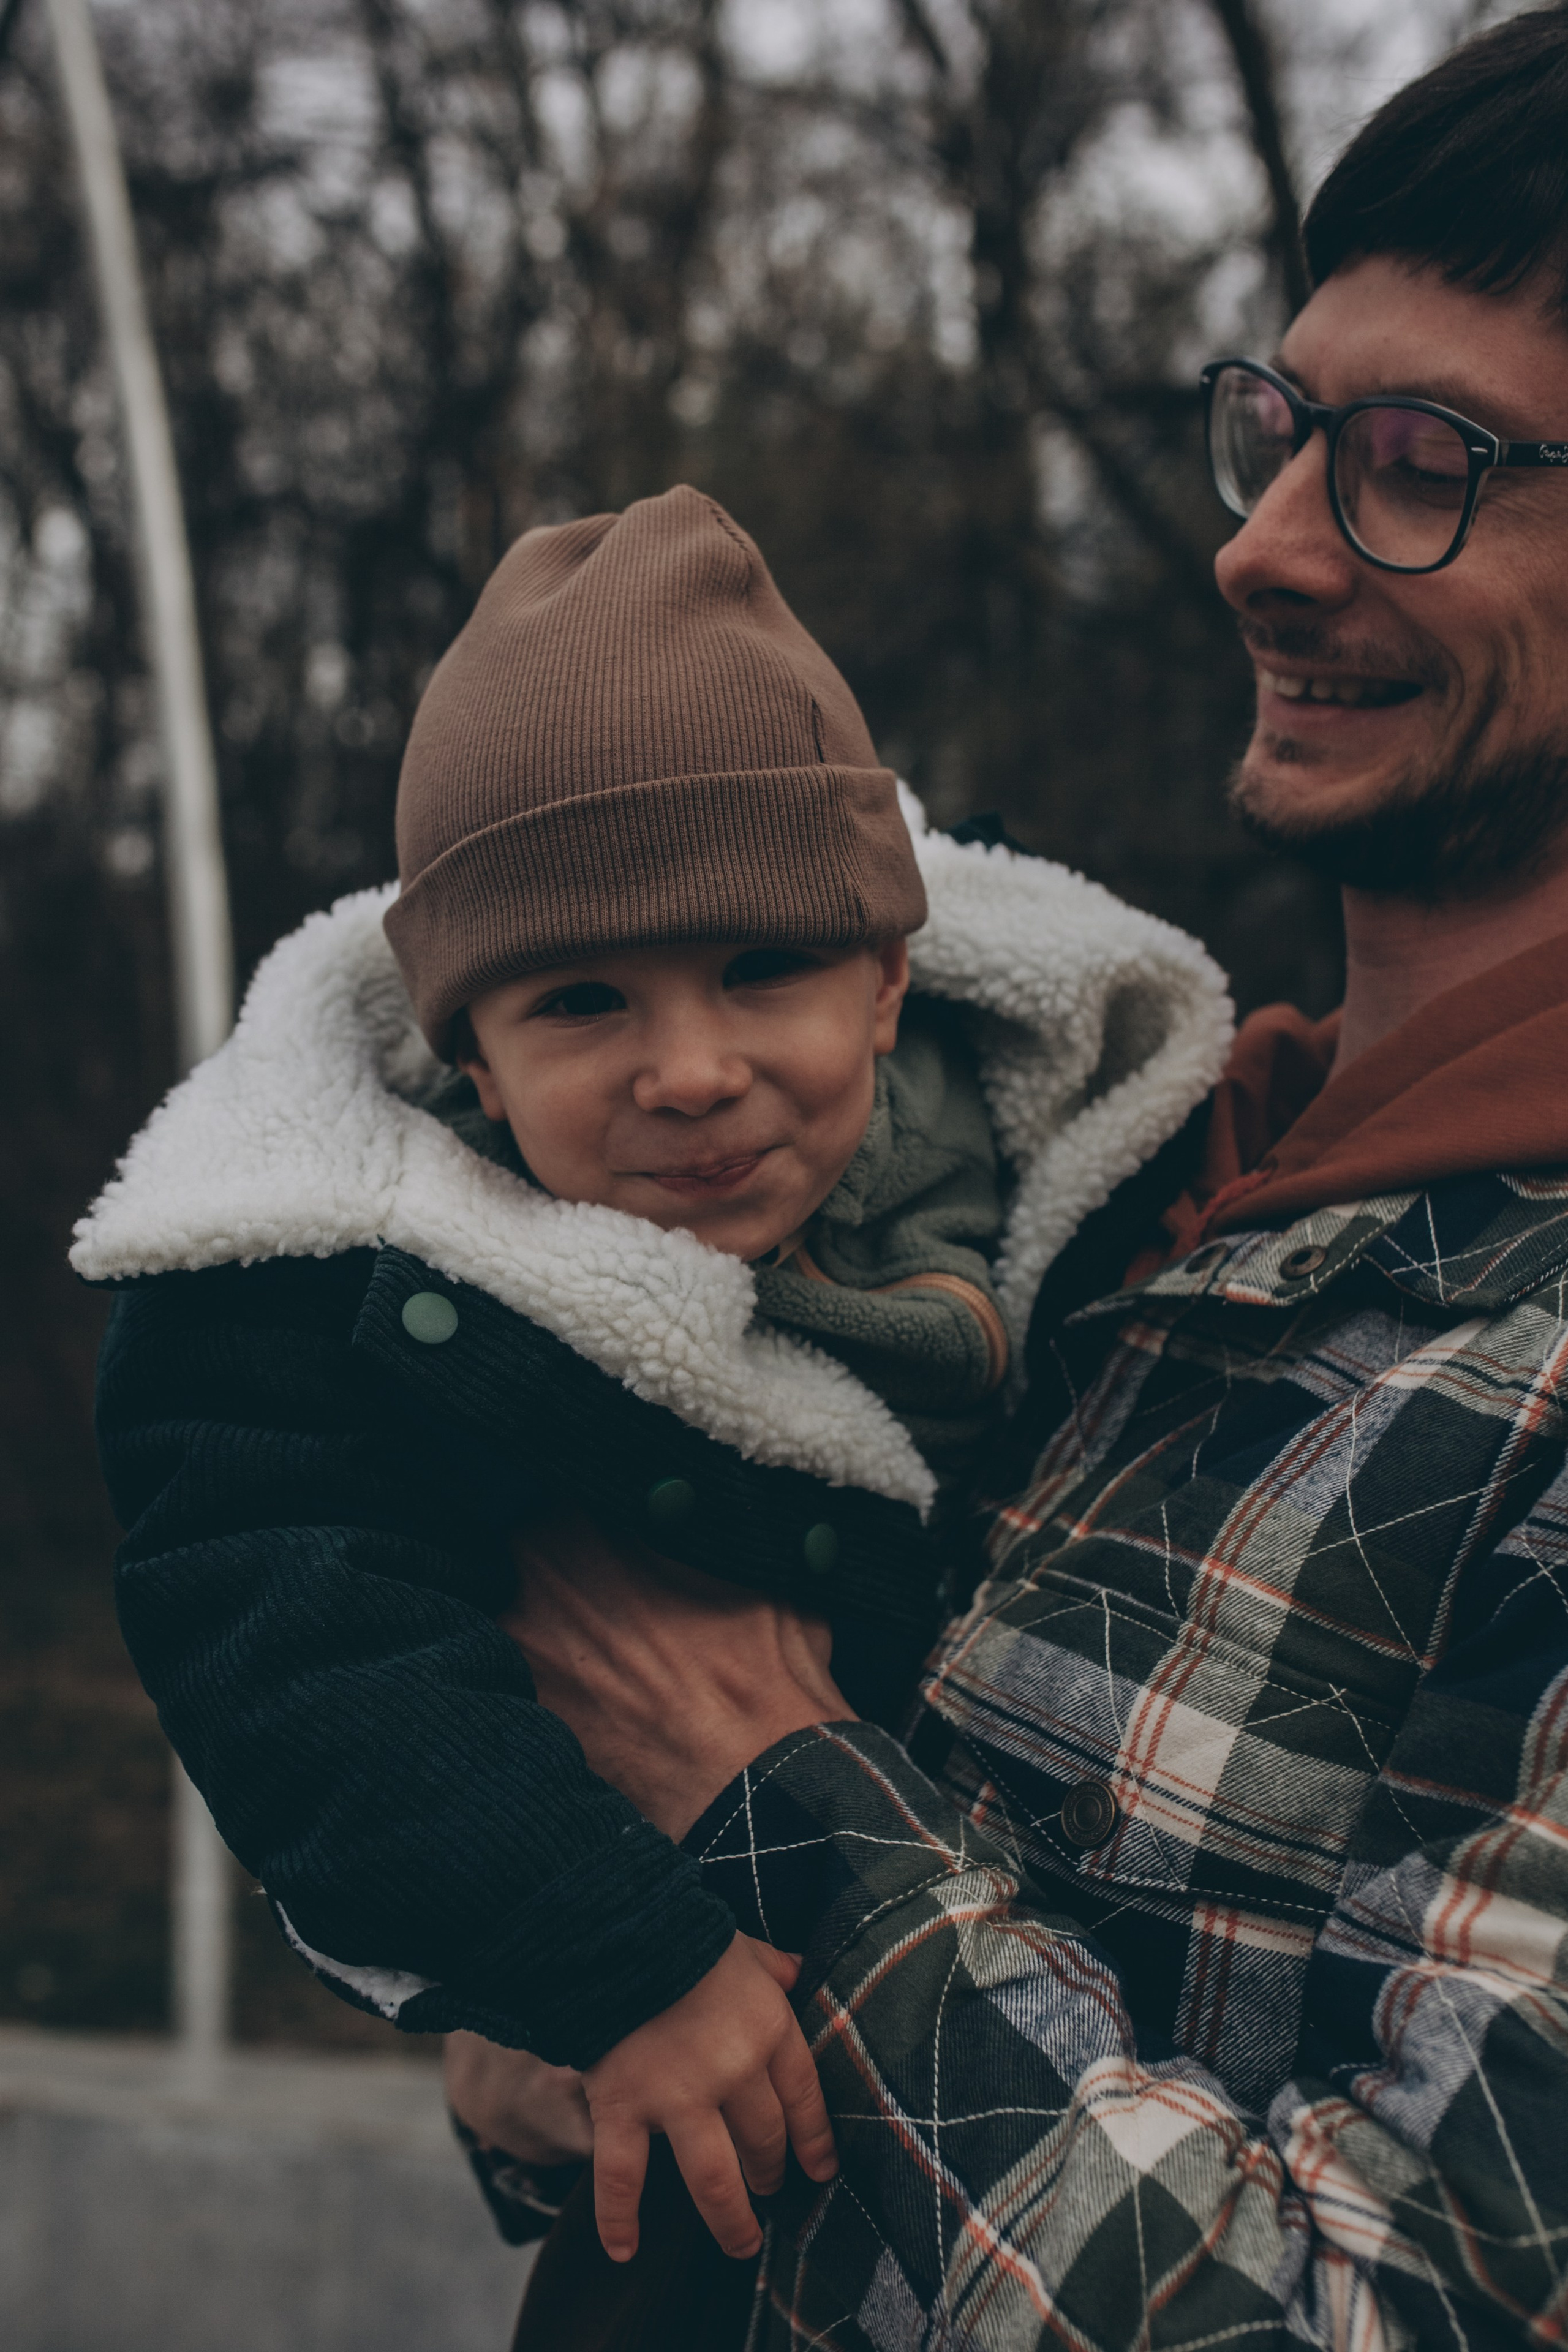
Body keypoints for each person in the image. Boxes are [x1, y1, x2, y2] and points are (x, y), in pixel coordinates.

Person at [459, 12, 1568, 2347]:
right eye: (1279, 432)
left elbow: (1385, 2320)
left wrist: (767, 1779)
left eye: (1419, 464)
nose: (1263, 545)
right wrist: (567, 1991)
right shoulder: (1095, 1172)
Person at [74, 488, 1231, 2272]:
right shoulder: (337, 1288)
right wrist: (616, 1964)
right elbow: (290, 1645)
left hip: (1062, 2064)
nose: (690, 1071)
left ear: (892, 982)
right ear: (468, 1047)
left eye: (764, 970)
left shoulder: (1066, 1169)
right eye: (581, 1005)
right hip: (681, 2023)